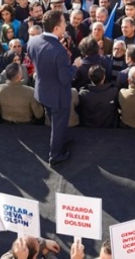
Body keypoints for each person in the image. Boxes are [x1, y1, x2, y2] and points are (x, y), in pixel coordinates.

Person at [26, 10, 81, 165]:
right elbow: (65, 78)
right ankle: (55, 155)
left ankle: (61, 137)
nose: (66, 25)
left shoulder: (33, 41)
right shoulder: (59, 50)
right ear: (56, 28)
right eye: (64, 23)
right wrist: (75, 66)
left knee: (54, 121)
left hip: (42, 91)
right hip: (58, 95)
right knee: (57, 124)